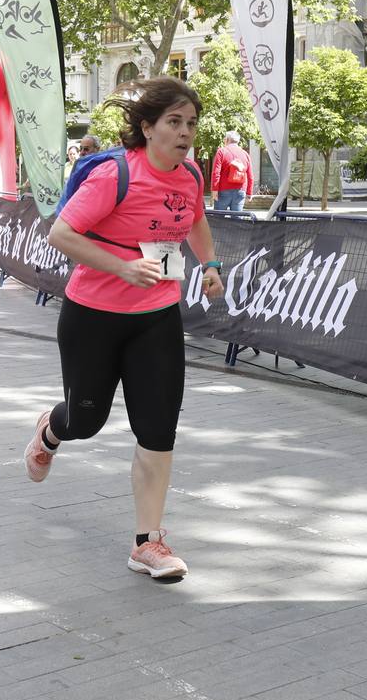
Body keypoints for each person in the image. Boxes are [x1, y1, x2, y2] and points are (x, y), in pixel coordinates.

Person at [26, 76, 225, 579]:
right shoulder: (115, 175)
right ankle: (52, 429)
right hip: (92, 317)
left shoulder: (191, 176)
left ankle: (148, 543)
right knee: (86, 422)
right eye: (174, 123)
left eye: (191, 124)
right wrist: (121, 268)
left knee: (158, 431)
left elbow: (196, 220)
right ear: (148, 127)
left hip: (156, 318)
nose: (184, 133)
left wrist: (209, 264)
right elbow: (61, 233)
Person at [211, 131, 254, 212]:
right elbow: (250, 175)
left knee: (218, 220)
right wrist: (249, 192)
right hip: (240, 191)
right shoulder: (245, 154)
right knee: (237, 221)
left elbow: (216, 172)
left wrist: (214, 189)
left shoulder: (221, 152)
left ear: (227, 140)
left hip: (223, 190)